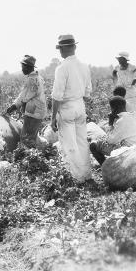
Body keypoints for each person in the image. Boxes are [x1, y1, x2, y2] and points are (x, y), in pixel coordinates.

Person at [51, 35, 92, 182]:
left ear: (62, 49)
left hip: (67, 107)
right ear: (74, 47)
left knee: (70, 144)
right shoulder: (84, 66)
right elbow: (87, 93)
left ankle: (78, 178)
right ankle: (87, 174)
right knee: (82, 141)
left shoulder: (62, 68)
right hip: (80, 105)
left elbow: (57, 96)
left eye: (60, 49)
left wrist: (52, 118)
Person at [90, 96, 136, 164]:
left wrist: (110, 123)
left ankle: (106, 168)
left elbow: (110, 141)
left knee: (93, 145)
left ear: (113, 109)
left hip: (130, 152)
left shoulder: (122, 121)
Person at [6, 55, 46, 148]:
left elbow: (25, 97)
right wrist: (16, 105)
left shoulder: (32, 79)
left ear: (28, 67)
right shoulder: (37, 77)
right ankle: (39, 153)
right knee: (32, 136)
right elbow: (24, 94)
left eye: (22, 67)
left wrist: (14, 106)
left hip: (34, 113)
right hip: (37, 111)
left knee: (26, 138)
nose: (22, 69)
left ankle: (32, 158)